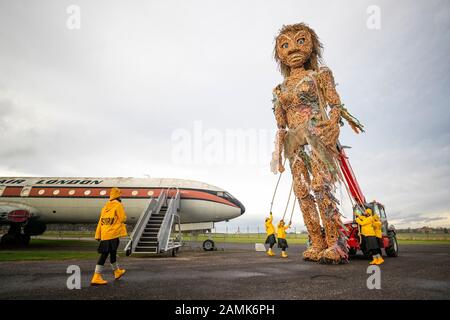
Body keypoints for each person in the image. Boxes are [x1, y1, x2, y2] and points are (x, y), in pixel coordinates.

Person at [91, 187, 128, 286]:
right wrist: (123, 212)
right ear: (118, 196)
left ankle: (117, 272)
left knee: (112, 253)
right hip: (113, 234)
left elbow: (100, 222)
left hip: (105, 234)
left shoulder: (105, 206)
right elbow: (122, 218)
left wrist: (98, 235)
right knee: (104, 255)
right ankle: (96, 276)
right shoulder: (118, 205)